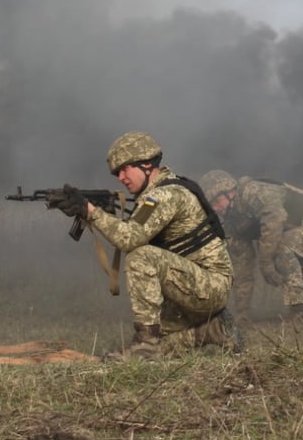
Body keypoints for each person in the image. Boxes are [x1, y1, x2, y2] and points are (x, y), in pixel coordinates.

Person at [48, 132, 238, 358]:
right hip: (193, 285)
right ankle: (212, 330)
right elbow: (137, 228)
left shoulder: (165, 195)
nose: (121, 178)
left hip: (209, 286)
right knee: (161, 345)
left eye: (124, 169)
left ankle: (145, 343)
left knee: (140, 256)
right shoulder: (160, 193)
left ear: (146, 164)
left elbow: (129, 238)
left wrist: (90, 211)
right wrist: (99, 212)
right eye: (116, 173)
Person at [199, 169, 303, 320]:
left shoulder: (254, 191)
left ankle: (299, 310)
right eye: (211, 206)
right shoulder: (232, 225)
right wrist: (242, 315)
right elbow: (242, 269)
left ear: (230, 191)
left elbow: (274, 221)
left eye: (216, 202)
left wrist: (266, 263)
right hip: (300, 246)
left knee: (280, 244)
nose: (215, 209)